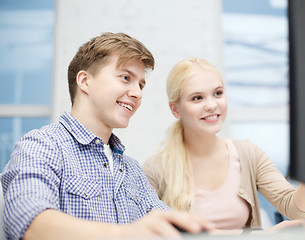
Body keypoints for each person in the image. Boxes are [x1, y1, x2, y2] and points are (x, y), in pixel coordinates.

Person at [0, 33, 212, 240]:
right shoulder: (42, 145)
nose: (137, 93)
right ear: (84, 81)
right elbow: (30, 223)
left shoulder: (132, 169)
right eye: (126, 78)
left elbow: (169, 226)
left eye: (140, 85)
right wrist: (128, 234)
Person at [142, 58, 305, 234]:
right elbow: (150, 233)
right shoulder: (154, 170)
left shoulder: (249, 154)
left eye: (218, 93)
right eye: (197, 98)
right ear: (175, 109)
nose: (212, 105)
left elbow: (297, 211)